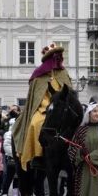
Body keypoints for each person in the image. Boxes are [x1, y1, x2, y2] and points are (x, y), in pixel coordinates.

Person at [12, 43, 72, 171]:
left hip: (63, 109)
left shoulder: (63, 73)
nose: (59, 59)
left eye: (60, 56)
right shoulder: (38, 76)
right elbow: (38, 98)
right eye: (56, 56)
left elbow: (69, 93)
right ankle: (38, 156)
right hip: (44, 108)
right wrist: (48, 106)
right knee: (36, 123)